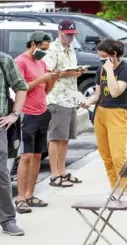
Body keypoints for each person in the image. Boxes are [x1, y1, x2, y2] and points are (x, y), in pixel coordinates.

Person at [81, 39, 127, 207]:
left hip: (117, 113)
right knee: (107, 157)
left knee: (119, 156)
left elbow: (115, 91)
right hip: (101, 112)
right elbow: (99, 94)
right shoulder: (100, 70)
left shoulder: (125, 69)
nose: (101, 60)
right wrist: (88, 101)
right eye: (100, 57)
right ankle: (115, 190)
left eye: (104, 57)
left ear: (114, 55)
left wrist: (110, 70)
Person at [14, 32, 59, 214]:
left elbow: (44, 91)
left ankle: (30, 194)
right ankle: (20, 198)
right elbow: (20, 88)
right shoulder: (20, 62)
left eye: (46, 50)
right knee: (25, 157)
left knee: (38, 156)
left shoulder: (41, 63)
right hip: (26, 114)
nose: (43, 53)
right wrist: (40, 79)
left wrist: (52, 80)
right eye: (41, 48)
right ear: (32, 44)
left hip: (42, 111)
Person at [43, 19, 85, 187]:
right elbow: (49, 74)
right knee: (55, 138)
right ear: (59, 33)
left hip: (70, 98)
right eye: (67, 35)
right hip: (57, 98)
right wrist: (69, 73)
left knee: (65, 138)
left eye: (72, 35)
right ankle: (54, 175)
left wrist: (77, 73)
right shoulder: (52, 50)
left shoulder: (71, 49)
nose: (70, 38)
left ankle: (62, 171)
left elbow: (71, 74)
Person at [0, 51, 28, 235]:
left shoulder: (3, 60)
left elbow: (21, 86)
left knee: (0, 174)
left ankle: (8, 219)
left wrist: (14, 114)